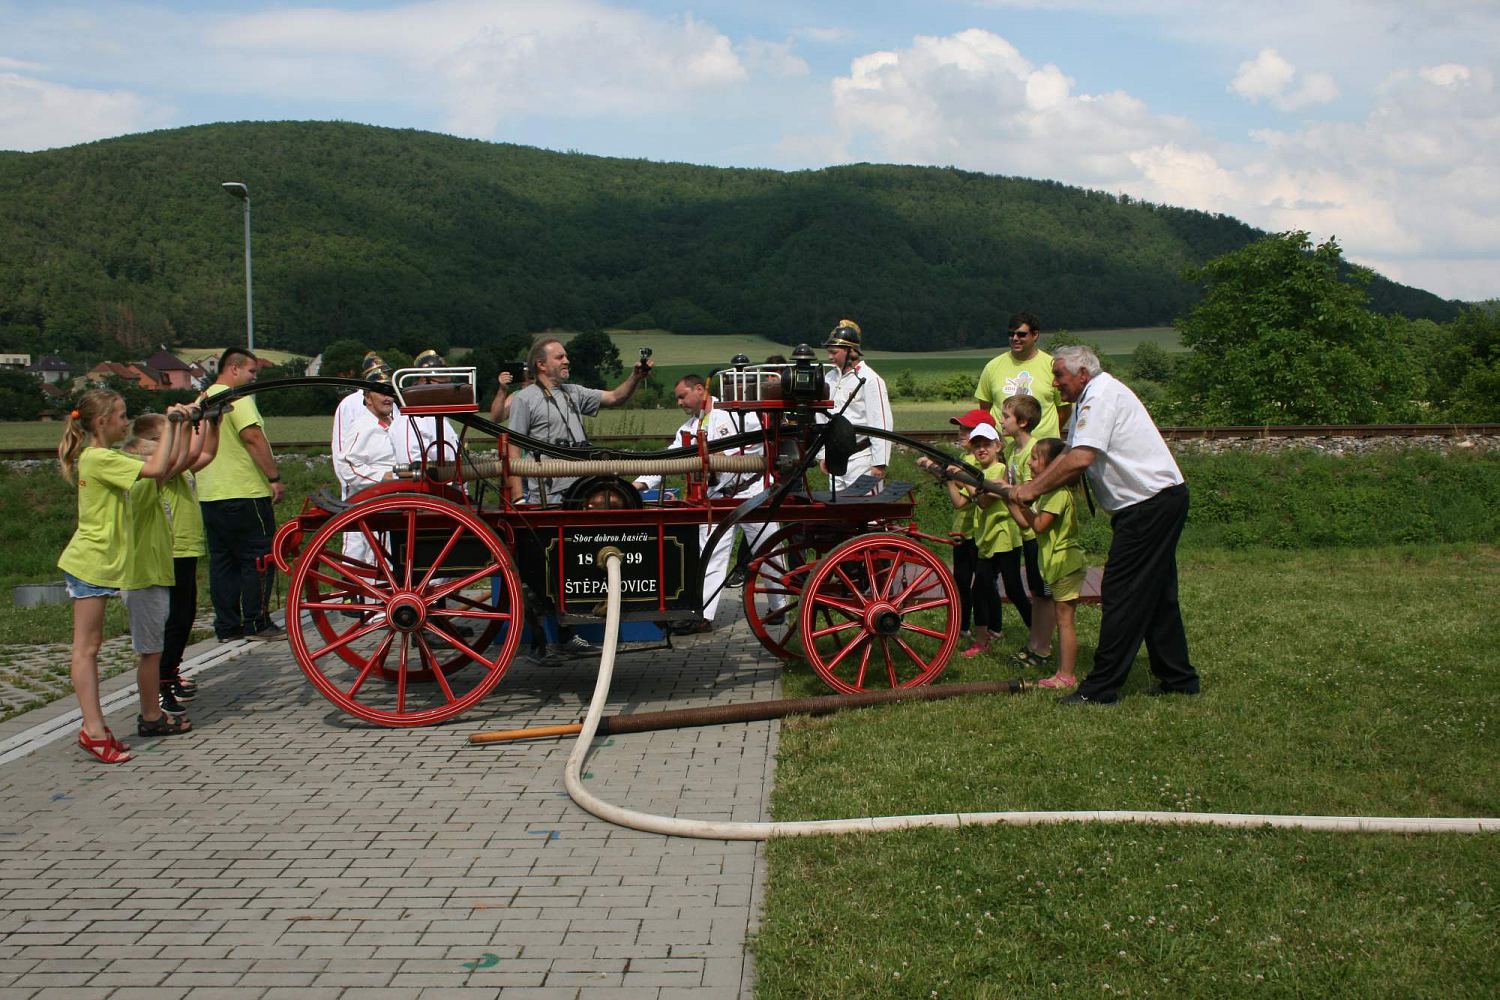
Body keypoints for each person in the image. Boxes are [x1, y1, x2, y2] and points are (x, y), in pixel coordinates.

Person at [1005, 345, 1199, 704]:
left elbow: (1079, 457)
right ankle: (1178, 678)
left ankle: (1101, 688)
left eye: (1060, 375)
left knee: (1120, 592)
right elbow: (1068, 455)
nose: (1055, 382)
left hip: (1149, 505)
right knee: (1157, 596)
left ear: (1082, 373)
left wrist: (1030, 489)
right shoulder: (1088, 399)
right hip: (1152, 503)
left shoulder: (1101, 395)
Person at [56, 390, 196, 763]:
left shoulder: (108, 457)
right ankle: (93, 730)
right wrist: (172, 424)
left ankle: (96, 728)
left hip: (102, 565)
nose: (125, 421)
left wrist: (181, 427)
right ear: (101, 422)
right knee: (85, 649)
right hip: (90, 563)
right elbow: (153, 468)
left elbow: (166, 467)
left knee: (92, 647)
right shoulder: (98, 458)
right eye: (120, 415)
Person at [634, 374, 778, 634]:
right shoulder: (688, 429)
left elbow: (759, 445)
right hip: (718, 499)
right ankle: (703, 615)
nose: (679, 402)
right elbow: (669, 460)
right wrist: (637, 486)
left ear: (699, 389)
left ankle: (778, 607)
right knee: (711, 554)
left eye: (682, 396)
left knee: (769, 551)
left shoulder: (735, 414)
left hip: (753, 492)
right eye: (677, 398)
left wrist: (726, 457)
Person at [123, 412, 219, 716]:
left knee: (185, 616)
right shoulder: (157, 467)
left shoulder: (173, 465)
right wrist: (189, 425)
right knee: (174, 620)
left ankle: (171, 672)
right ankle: (162, 681)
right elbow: (188, 453)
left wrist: (211, 424)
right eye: (166, 437)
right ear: (151, 442)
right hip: (171, 549)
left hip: (185, 547)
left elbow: (205, 453)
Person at [197, 348, 285, 642]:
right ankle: (257, 621)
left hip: (211, 493)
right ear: (234, 369)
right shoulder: (236, 398)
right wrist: (274, 477)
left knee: (223, 562)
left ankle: (227, 625)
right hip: (245, 490)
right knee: (258, 558)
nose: (253, 378)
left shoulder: (203, 398)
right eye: (251, 372)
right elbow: (252, 437)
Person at [505, 336, 652, 505]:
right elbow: (513, 450)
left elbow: (615, 397)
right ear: (541, 364)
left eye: (566, 356)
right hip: (549, 493)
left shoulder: (575, 392)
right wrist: (518, 499)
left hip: (583, 485)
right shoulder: (524, 399)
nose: (567, 361)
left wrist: (635, 377)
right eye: (559, 357)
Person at [1002, 438, 1088, 689]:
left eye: (1036, 458)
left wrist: (1023, 502)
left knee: (1064, 620)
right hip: (1055, 564)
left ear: (1052, 467)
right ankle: (1063, 670)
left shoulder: (1058, 494)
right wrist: (1011, 500)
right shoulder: (1049, 493)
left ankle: (1066, 674)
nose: (1030, 461)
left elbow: (1038, 525)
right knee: (1062, 618)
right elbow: (1025, 523)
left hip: (1065, 563)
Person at [917, 408, 994, 644]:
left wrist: (950, 475)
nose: (961, 432)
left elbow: (961, 499)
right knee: (962, 581)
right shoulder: (966, 461)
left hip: (974, 531)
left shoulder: (974, 464)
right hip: (962, 530)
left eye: (967, 429)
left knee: (979, 584)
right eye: (961, 428)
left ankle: (984, 626)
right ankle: (965, 625)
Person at [962, 422, 1031, 656]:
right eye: (977, 446)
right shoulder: (979, 474)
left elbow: (983, 500)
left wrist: (970, 486)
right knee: (979, 588)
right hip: (987, 536)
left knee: (1014, 589)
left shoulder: (1000, 469)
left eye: (986, 445)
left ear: (998, 446)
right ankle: (981, 640)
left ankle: (1039, 636)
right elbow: (982, 495)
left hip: (1004, 535)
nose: (981, 449)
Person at [999, 394, 1054, 668]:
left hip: (1036, 533)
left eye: (1006, 416)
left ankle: (1042, 647)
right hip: (1026, 532)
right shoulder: (1011, 452)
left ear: (1022, 421)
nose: (1001, 420)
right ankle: (1036, 643)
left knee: (1043, 594)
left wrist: (1007, 497)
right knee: (1036, 591)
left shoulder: (1035, 453)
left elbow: (1024, 502)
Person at [819, 320, 893, 494]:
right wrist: (823, 454)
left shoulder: (870, 378)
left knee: (867, 514)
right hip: (836, 460)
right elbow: (822, 418)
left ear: (851, 351)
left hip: (862, 458)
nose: (830, 357)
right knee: (839, 514)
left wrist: (879, 462)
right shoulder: (829, 378)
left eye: (834, 352)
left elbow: (881, 421)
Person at [974, 311, 1069, 440]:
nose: (1015, 338)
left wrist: (1046, 435)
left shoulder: (1052, 366)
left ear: (1035, 335)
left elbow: (1064, 409)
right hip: (1002, 448)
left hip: (1043, 449)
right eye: (1011, 334)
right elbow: (984, 410)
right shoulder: (992, 366)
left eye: (1021, 334)